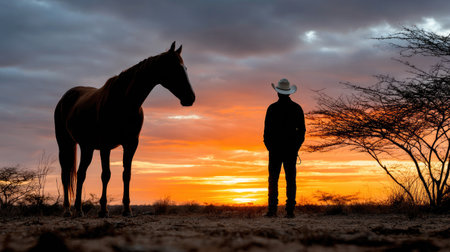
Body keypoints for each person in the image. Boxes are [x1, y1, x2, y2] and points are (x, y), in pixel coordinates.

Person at [263, 78, 306, 218]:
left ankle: (272, 210)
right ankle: (290, 211)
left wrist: (270, 147)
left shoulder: (272, 108)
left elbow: (266, 132)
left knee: (273, 180)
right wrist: (296, 147)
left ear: (278, 93)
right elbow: (302, 131)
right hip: (290, 150)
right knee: (290, 180)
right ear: (289, 93)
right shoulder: (297, 108)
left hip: (275, 150)